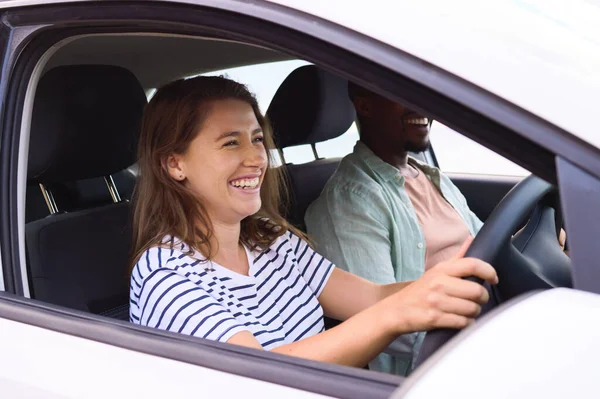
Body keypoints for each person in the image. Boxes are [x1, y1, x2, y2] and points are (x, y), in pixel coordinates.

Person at [128, 75, 497, 370]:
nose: (255, 158)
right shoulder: (168, 276)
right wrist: (396, 314)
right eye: (230, 144)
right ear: (174, 164)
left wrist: (439, 284)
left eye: (257, 139)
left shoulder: (271, 241)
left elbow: (370, 297)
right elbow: (261, 376)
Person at [304, 82, 565, 374]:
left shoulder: (426, 174)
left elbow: (487, 246)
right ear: (365, 107)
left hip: (488, 315)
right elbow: (384, 324)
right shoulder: (350, 199)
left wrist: (538, 240)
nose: (422, 106)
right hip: (443, 357)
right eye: (404, 93)